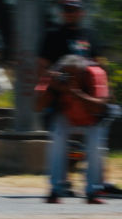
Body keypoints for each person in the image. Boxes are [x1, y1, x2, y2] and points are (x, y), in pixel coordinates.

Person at [35, 54, 109, 204]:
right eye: (65, 73)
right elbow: (37, 107)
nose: (67, 77)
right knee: (56, 138)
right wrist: (51, 88)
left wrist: (76, 92)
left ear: (82, 72)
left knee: (95, 148)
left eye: (72, 74)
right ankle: (56, 189)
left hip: (92, 117)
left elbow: (100, 106)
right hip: (67, 116)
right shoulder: (55, 77)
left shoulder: (94, 74)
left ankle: (92, 190)